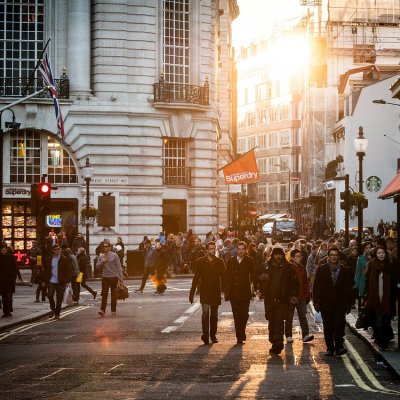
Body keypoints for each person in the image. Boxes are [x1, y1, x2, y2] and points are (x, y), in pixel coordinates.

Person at [313, 246, 353, 356]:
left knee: (339, 325)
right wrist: (316, 301)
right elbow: (316, 287)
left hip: (340, 304)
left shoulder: (344, 270)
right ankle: (330, 348)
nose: (334, 257)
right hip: (326, 303)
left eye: (336, 255)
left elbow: (348, 288)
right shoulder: (322, 269)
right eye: (332, 255)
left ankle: (339, 347)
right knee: (328, 326)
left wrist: (349, 303)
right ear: (328, 257)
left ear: (339, 256)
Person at [258, 245, 298, 355]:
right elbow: (258, 278)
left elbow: (294, 283)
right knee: (271, 320)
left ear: (283, 255)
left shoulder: (289, 268)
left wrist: (294, 295)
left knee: (279, 321)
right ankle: (274, 341)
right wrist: (261, 284)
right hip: (269, 299)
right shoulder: (267, 266)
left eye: (280, 254)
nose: (278, 256)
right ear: (272, 255)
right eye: (276, 254)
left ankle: (279, 341)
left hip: (283, 299)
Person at [189, 241, 226, 344]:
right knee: (205, 313)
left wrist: (226, 291)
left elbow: (224, 278)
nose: (212, 250)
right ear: (206, 250)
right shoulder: (200, 262)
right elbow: (196, 278)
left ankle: (213, 335)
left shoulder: (220, 262)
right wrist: (192, 293)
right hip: (205, 291)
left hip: (215, 291)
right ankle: (205, 335)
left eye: (213, 248)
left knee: (214, 315)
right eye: (210, 249)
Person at [364, 246, 397, 350]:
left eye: (383, 253)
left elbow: (394, 282)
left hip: (388, 298)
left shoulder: (390, 266)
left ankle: (384, 342)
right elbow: (368, 282)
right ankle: (380, 340)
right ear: (376, 255)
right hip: (376, 298)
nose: (381, 255)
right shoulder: (372, 265)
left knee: (386, 321)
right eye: (379, 253)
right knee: (378, 321)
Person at [225, 241, 255, 344]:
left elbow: (253, 274)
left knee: (245, 314)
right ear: (236, 250)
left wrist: (255, 288)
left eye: (243, 249)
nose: (241, 251)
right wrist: (226, 290)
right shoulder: (231, 261)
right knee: (236, 315)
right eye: (239, 249)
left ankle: (241, 332)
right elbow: (227, 276)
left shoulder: (249, 260)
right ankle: (240, 336)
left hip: (245, 291)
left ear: (245, 250)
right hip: (234, 292)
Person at [286, 249, 314, 343]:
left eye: (300, 256)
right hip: (291, 297)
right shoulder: (289, 268)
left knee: (303, 316)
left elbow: (305, 282)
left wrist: (307, 295)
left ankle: (305, 335)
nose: (300, 258)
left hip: (301, 296)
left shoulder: (302, 268)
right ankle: (289, 336)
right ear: (292, 257)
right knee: (289, 317)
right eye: (297, 256)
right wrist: (289, 296)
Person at [96, 239, 124, 316]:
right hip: (105, 278)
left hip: (114, 277)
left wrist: (121, 278)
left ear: (109, 247)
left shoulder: (114, 255)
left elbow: (119, 267)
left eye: (106, 246)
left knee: (113, 295)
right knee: (104, 294)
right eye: (104, 246)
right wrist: (102, 262)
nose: (105, 248)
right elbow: (97, 267)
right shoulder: (101, 256)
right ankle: (102, 310)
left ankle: (113, 310)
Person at [43, 244, 72, 320]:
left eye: (58, 249)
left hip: (60, 282)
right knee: (49, 295)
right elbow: (46, 271)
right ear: (53, 250)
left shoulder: (64, 259)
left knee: (59, 298)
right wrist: (44, 281)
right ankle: (53, 309)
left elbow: (68, 271)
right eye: (55, 249)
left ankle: (57, 314)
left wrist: (67, 281)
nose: (57, 251)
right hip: (51, 280)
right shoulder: (49, 259)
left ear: (60, 250)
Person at [0, 242, 18, 318]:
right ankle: (6, 312)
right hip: (1, 280)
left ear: (6, 249)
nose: (2, 252)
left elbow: (15, 269)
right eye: (1, 251)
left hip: (9, 280)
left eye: (3, 250)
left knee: (7, 297)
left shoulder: (11, 257)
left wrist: (13, 278)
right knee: (4, 297)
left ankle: (7, 312)